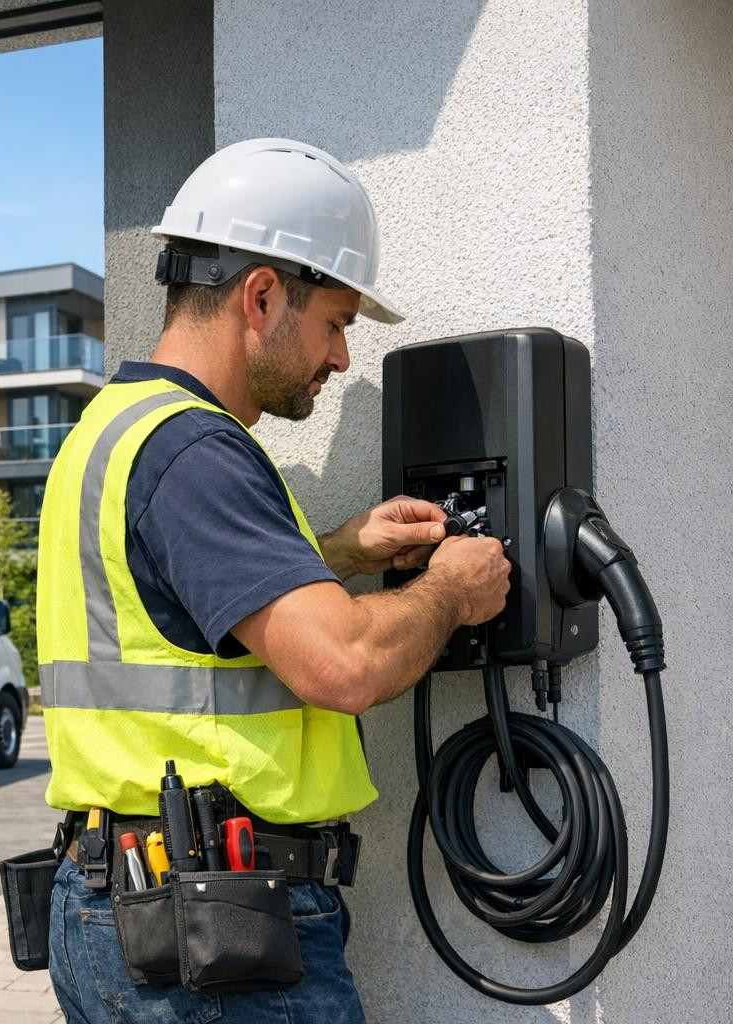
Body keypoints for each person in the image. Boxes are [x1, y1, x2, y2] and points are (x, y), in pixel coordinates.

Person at [39, 138, 511, 1023]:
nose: (339, 359)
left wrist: (339, 553)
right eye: (334, 322)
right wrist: (451, 587)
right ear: (261, 295)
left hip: (134, 905)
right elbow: (344, 669)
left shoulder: (117, 426)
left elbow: (178, 612)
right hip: (210, 926)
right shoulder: (197, 450)